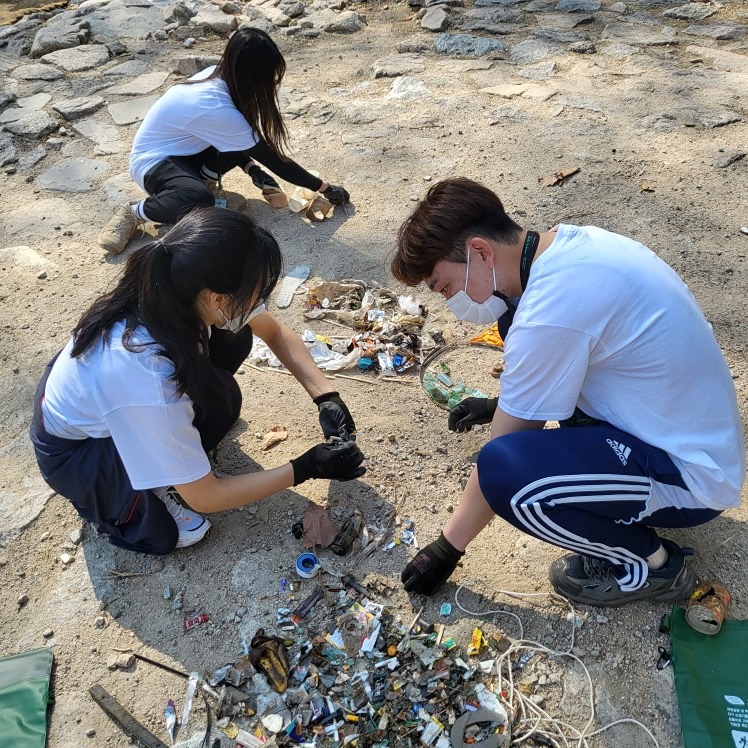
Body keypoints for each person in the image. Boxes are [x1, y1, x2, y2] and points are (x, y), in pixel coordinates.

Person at [393, 177, 745, 607]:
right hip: (694, 436)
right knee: (510, 316)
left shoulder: (547, 314)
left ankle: (651, 565)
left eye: (446, 286)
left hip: (693, 477)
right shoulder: (572, 245)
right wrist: (498, 404)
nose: (453, 300)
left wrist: (449, 546)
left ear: (481, 252)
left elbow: (500, 461)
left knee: (507, 473)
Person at [32, 207, 365, 555]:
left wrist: (326, 396)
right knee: (163, 532)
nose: (260, 301)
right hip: (80, 454)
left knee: (234, 347)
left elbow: (276, 332)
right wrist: (306, 467)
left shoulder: (179, 285)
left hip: (105, 401)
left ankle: (170, 457)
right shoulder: (146, 377)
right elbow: (207, 496)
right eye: (256, 292)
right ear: (217, 298)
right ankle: (153, 489)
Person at [98, 27, 350, 255]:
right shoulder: (214, 105)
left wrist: (254, 172)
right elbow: (275, 160)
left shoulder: (220, 78)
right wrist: (325, 188)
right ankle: (136, 212)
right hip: (153, 163)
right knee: (198, 200)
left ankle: (201, 185)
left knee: (235, 147)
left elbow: (238, 143)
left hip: (185, 154)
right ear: (251, 74)